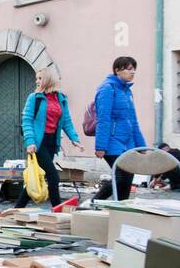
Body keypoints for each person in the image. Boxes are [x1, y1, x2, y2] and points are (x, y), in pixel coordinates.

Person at [16, 68, 80, 210]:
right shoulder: (34, 98)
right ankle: (58, 210)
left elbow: (66, 121)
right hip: (39, 143)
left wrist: (74, 138)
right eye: (36, 79)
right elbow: (26, 120)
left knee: (36, 177)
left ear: (48, 79)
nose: (37, 81)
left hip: (52, 142)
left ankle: (16, 208)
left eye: (40, 78)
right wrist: (30, 141)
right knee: (53, 176)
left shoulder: (61, 99)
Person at [93, 57, 147, 201]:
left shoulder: (127, 92)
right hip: (112, 142)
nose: (132, 72)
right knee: (120, 178)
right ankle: (94, 202)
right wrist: (101, 146)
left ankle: (122, 211)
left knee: (128, 178)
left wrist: (141, 146)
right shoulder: (107, 89)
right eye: (129, 69)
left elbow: (133, 121)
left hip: (127, 143)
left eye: (134, 69)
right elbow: (103, 119)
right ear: (117, 70)